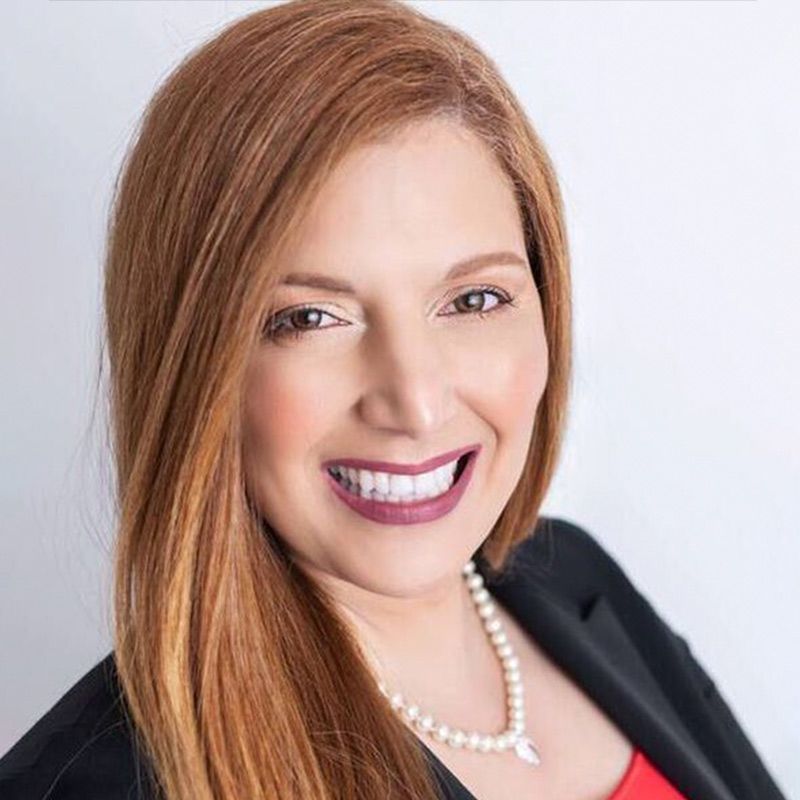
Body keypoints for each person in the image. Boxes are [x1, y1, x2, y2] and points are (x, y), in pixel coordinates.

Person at [0, 1, 786, 799]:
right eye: (309, 318)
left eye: (474, 300)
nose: (415, 401)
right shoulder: (96, 784)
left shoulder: (576, 579)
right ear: (196, 363)